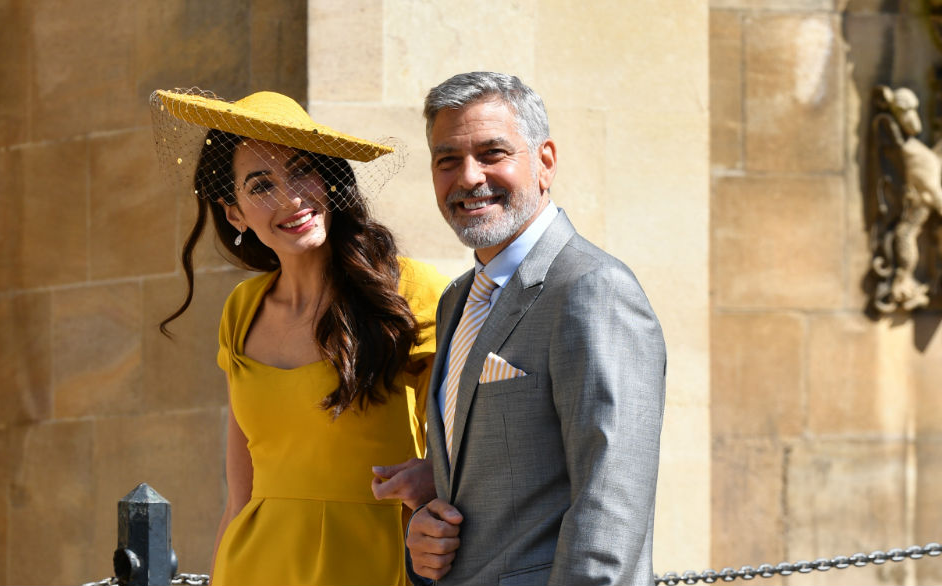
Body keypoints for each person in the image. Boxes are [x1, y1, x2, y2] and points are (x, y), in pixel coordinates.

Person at [151, 88, 446, 586]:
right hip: (254, 566)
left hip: (378, 564)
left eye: (304, 170)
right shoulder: (241, 311)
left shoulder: (412, 292)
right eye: (261, 185)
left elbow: (477, 450)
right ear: (235, 213)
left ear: (330, 180)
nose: (291, 198)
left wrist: (434, 473)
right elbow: (240, 497)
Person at [395, 72, 667, 585]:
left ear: (544, 162)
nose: (469, 177)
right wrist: (426, 527)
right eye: (447, 159)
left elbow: (612, 507)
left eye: (493, 153)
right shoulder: (457, 299)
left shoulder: (592, 288)